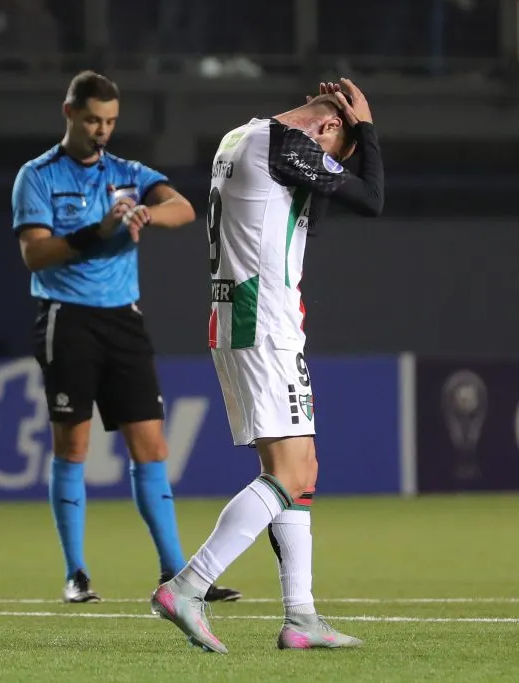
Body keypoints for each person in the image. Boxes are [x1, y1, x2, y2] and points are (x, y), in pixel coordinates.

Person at [151, 78, 384, 653]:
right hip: (264, 322)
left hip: (244, 317)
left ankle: (300, 616)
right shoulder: (285, 144)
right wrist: (369, 131)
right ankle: (188, 585)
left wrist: (339, 150)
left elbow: (307, 211)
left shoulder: (239, 137)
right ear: (329, 127)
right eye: (336, 153)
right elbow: (371, 199)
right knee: (291, 474)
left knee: (301, 469)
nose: (331, 168)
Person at [10, 70, 241, 605]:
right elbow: (35, 253)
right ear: (69, 113)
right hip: (65, 317)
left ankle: (175, 572)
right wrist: (101, 232)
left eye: (111, 121)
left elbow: (183, 207)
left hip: (123, 320)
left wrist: (146, 215)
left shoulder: (127, 172)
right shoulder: (38, 176)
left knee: (152, 446)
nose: (102, 130)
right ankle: (77, 573)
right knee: (74, 445)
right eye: (93, 119)